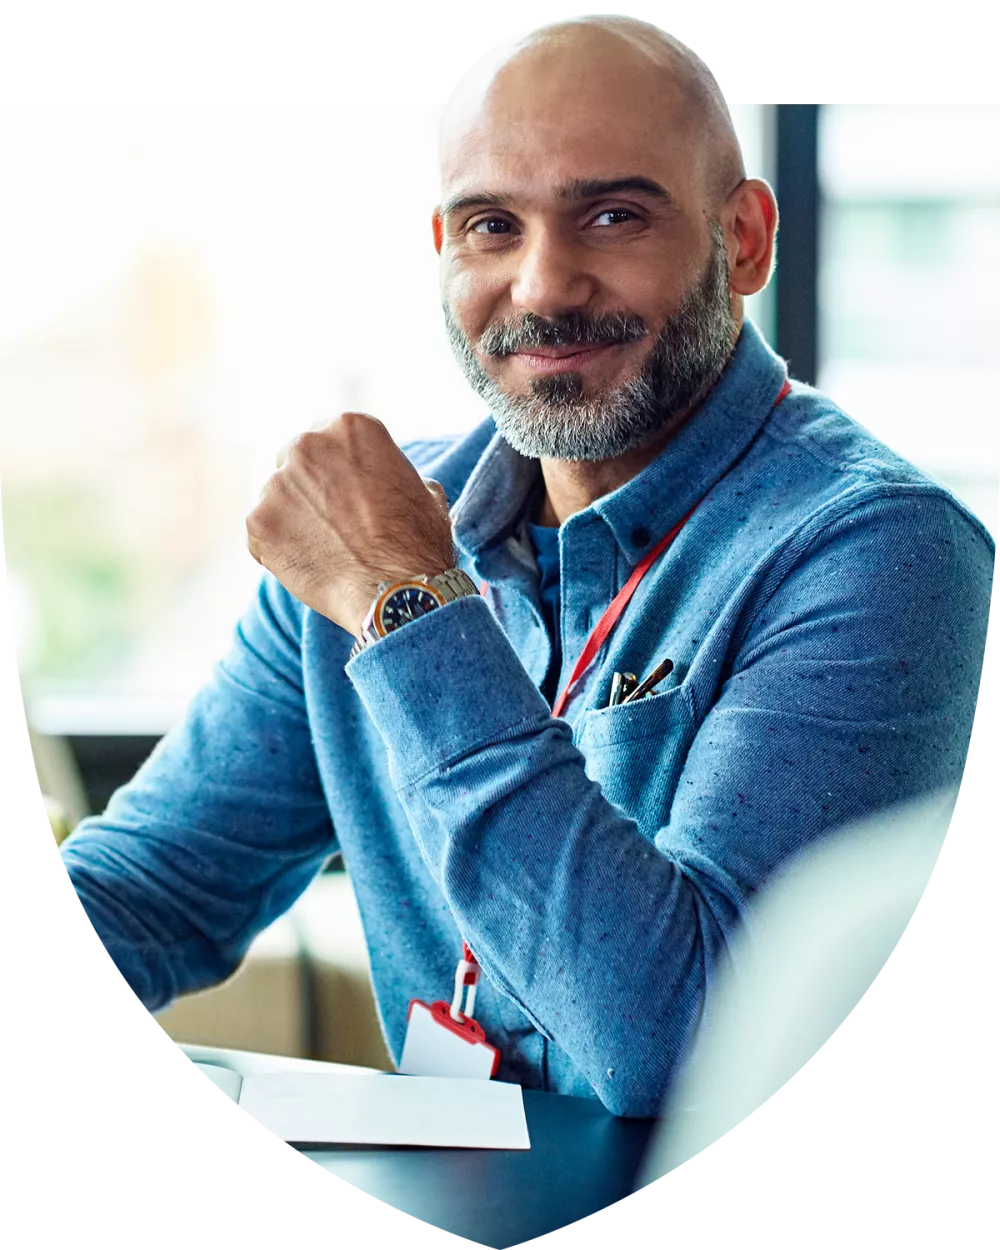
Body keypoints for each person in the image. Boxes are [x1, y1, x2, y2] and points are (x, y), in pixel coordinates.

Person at [57, 18, 992, 1118]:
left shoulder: (880, 550)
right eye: (491, 225)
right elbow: (155, 886)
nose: (543, 285)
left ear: (741, 238)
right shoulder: (376, 523)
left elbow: (686, 1049)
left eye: (613, 214)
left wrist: (410, 609)